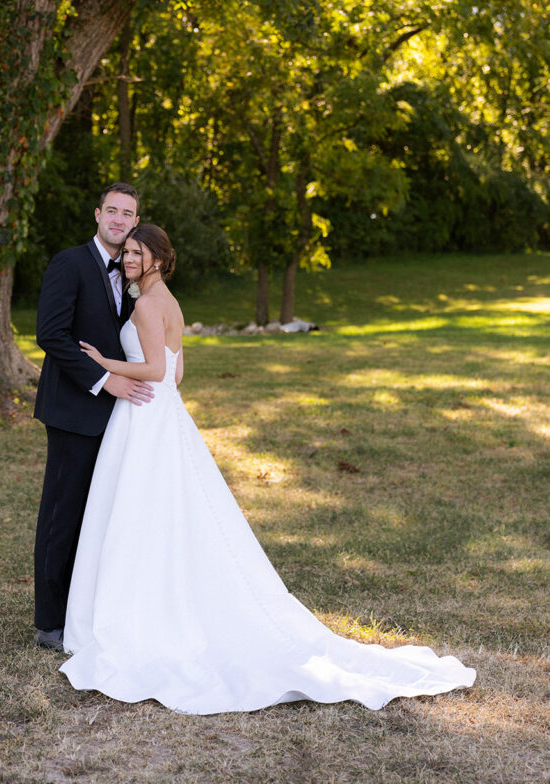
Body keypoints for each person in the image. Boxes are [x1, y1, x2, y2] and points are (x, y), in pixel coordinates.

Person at [60, 224, 476, 714]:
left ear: (158, 258)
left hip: (145, 416)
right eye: (126, 251)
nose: (128, 258)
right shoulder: (167, 301)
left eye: (138, 252)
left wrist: (105, 363)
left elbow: (154, 371)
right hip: (162, 414)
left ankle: (136, 615)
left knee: (142, 515)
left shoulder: (149, 304)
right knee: (164, 515)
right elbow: (177, 371)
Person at [32, 183, 154, 652]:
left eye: (129, 214)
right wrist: (105, 381)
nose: (120, 220)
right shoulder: (69, 263)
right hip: (73, 408)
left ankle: (87, 608)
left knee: (99, 514)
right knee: (63, 514)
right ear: (97, 214)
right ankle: (49, 621)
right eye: (113, 211)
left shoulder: (134, 273)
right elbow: (51, 334)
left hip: (118, 418)